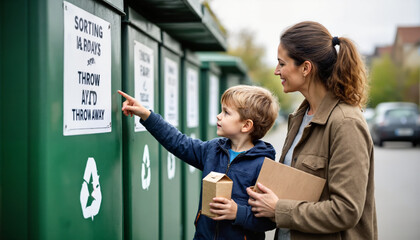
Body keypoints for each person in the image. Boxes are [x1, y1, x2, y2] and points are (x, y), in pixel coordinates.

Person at [246, 21, 377, 240]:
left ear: (306, 68)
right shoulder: (299, 118)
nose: (276, 71)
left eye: (282, 63)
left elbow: (346, 210)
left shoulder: (346, 123)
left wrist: (278, 209)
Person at [118, 85, 279, 239]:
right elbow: (177, 142)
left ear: (246, 125)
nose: (218, 116)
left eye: (226, 112)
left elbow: (268, 220)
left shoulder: (263, 166)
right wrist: (146, 115)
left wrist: (237, 212)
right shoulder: (213, 150)